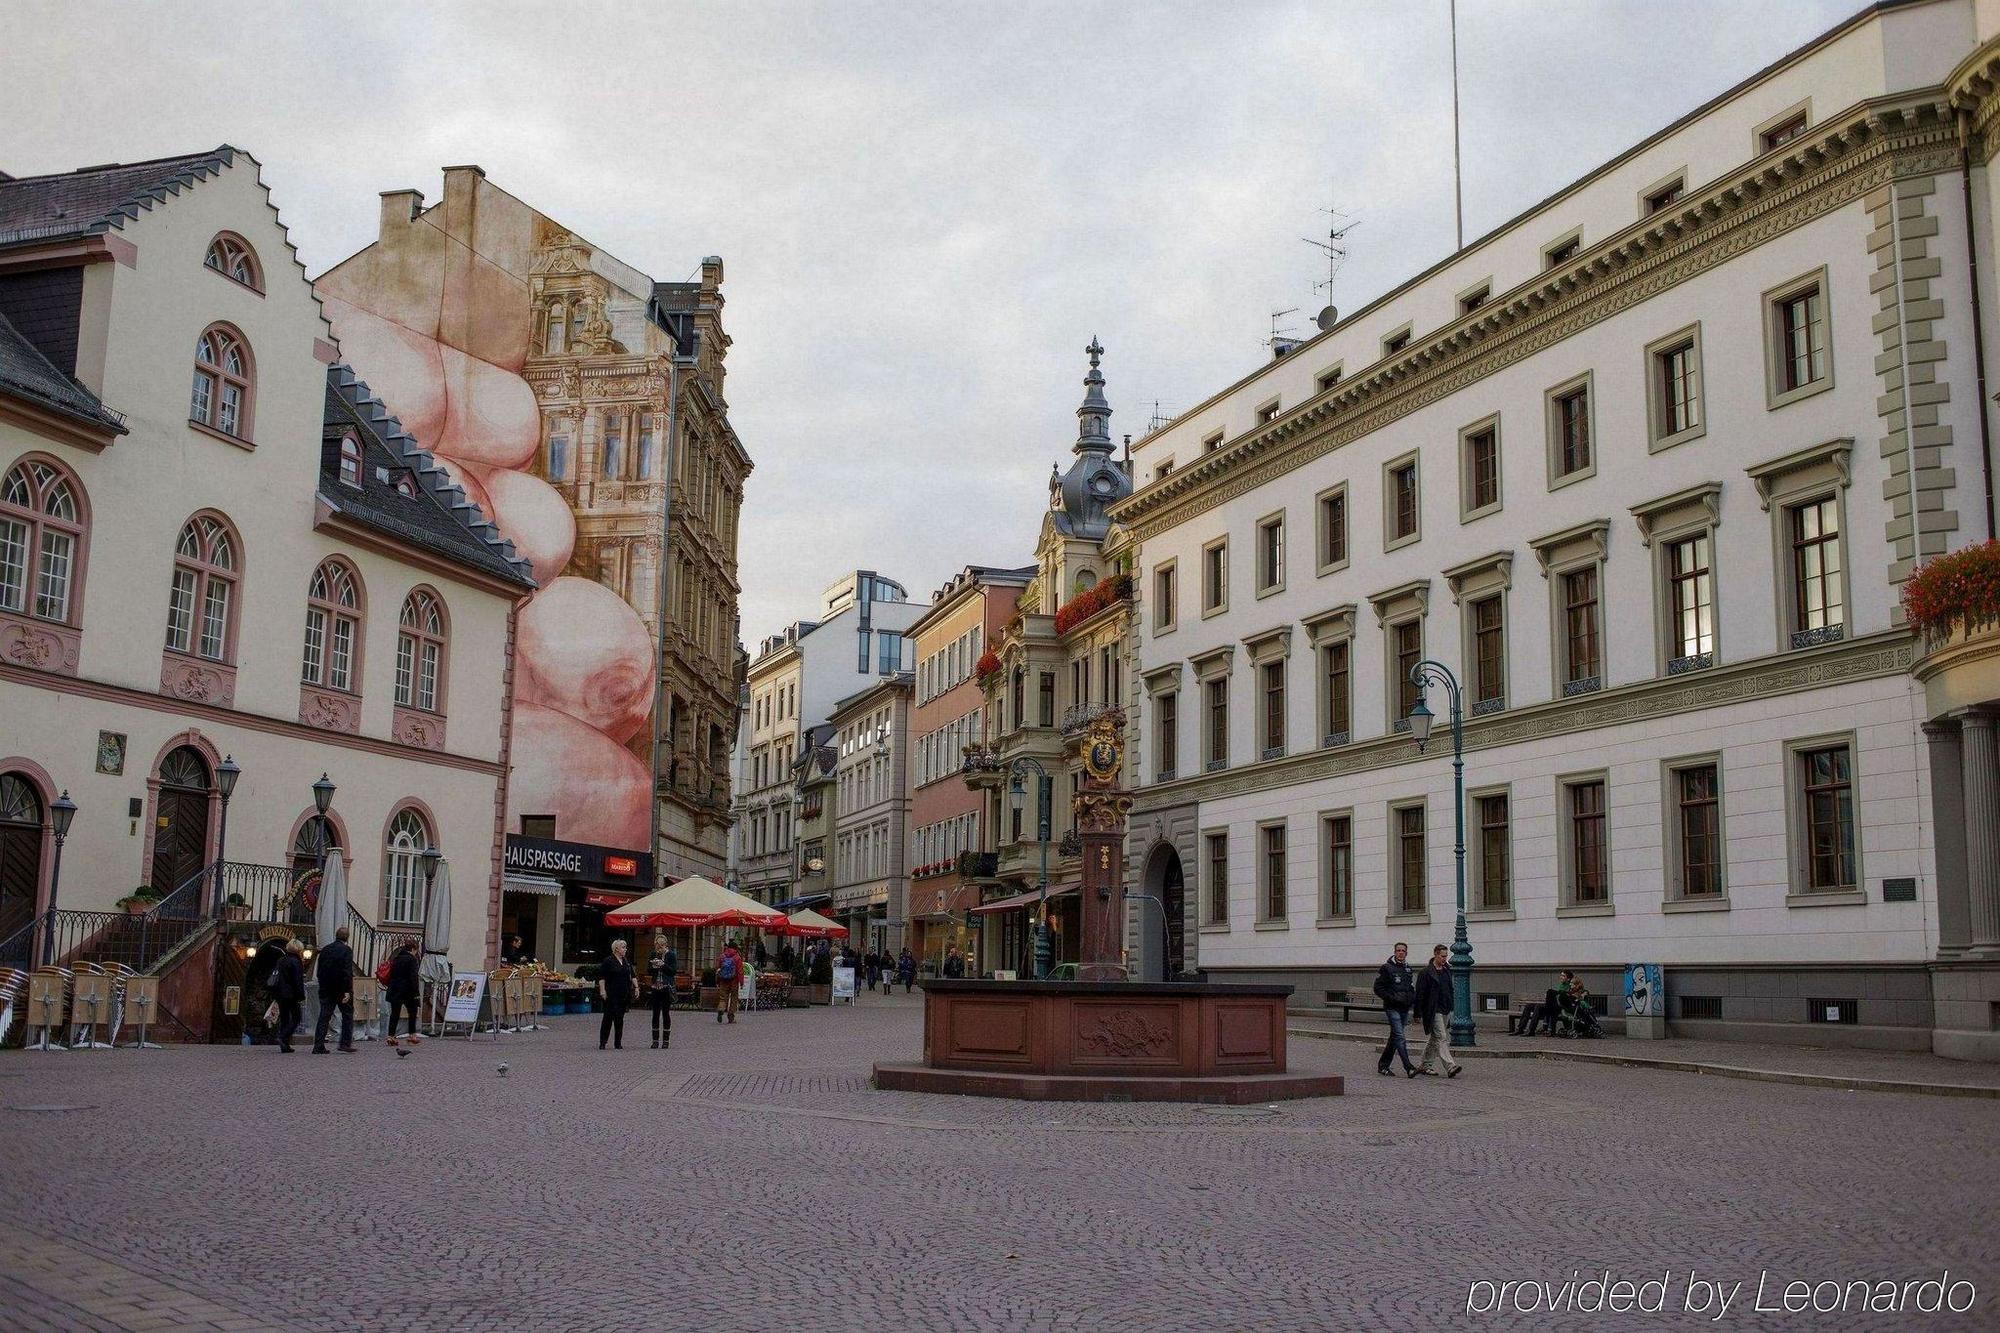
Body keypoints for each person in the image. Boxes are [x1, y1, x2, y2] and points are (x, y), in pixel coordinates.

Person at [1414, 944, 1463, 1078]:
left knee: (1435, 1038)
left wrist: (1450, 1003)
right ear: (1435, 954)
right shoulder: (1426, 972)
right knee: (1441, 1037)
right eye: (1442, 956)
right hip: (1432, 1009)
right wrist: (1417, 1013)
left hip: (1445, 1007)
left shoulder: (1447, 969)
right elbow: (1420, 994)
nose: (1444, 959)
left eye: (1446, 956)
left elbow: (1449, 988)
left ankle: (1425, 1065)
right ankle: (1450, 1066)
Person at [1372, 942, 1419, 1078]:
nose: (1400, 953)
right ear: (1394, 952)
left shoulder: (1408, 969)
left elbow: (1410, 987)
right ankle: (1408, 1067)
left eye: (1403, 951)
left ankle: (1383, 1065)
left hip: (1404, 1007)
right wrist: (1391, 998)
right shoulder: (1387, 968)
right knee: (1399, 1036)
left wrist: (1411, 999)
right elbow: (1378, 987)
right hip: (1392, 1007)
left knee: (1394, 1038)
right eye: (1398, 950)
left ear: (1406, 953)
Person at [312, 925, 356, 1054]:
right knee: (347, 1014)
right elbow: (347, 971)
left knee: (324, 1016)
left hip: (326, 987)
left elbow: (319, 969)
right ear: (347, 938)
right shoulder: (346, 950)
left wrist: (322, 984)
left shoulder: (325, 949)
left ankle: (318, 1044)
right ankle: (345, 1043)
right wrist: (347, 990)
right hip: (341, 989)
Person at [598, 938, 635, 1050]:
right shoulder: (608, 961)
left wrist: (636, 987)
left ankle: (618, 1042)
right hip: (611, 993)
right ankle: (603, 1042)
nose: (625, 949)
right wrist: (602, 990)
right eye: (623, 947)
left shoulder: (626, 962)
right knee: (608, 1018)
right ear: (616, 949)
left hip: (623, 994)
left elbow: (632, 975)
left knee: (620, 1019)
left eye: (625, 947)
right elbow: (601, 977)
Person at [271, 939, 306, 1053]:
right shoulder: (296, 961)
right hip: (290, 994)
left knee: (285, 1017)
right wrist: (301, 995)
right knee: (296, 1017)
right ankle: (283, 1037)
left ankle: (284, 1045)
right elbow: (297, 980)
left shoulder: (281, 960)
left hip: (279, 993)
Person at [385, 937, 421, 1043]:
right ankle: (412, 1035)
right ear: (414, 949)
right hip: (408, 991)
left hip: (394, 989)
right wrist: (416, 993)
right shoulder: (412, 960)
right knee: (412, 1012)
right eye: (416, 950)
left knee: (394, 1013)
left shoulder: (396, 958)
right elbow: (413, 977)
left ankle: (390, 1036)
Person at [647, 930, 679, 1050]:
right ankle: (655, 1041)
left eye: (660, 947)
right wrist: (654, 966)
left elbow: (673, 971)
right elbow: (648, 970)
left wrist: (663, 965)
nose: (658, 949)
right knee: (655, 1014)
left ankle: (666, 1041)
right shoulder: (653, 954)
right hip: (656, 987)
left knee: (666, 1013)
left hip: (666, 987)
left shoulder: (671, 955)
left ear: (665, 945)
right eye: (656, 946)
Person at [716, 939, 742, 1024]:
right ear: (735, 948)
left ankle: (721, 1009)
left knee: (723, 997)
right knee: (734, 998)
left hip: (723, 980)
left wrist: (717, 980)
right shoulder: (737, 957)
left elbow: (718, 969)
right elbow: (740, 971)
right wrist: (741, 982)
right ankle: (731, 1017)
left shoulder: (722, 956)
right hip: (734, 981)